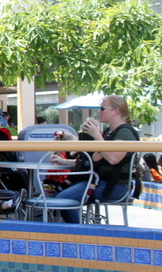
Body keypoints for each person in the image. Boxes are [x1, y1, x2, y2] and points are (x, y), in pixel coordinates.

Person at [52, 95, 140, 224]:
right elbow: (96, 158)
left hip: (114, 186)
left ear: (116, 111)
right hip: (101, 182)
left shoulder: (125, 133)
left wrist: (97, 136)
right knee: (57, 196)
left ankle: (81, 236)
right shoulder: (111, 132)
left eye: (103, 108)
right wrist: (67, 161)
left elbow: (113, 159)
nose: (99, 111)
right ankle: (78, 233)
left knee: (61, 200)